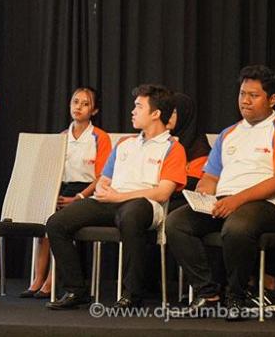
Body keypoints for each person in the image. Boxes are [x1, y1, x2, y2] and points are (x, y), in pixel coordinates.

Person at [166, 65, 275, 320]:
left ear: (272, 99)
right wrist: (204, 195)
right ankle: (208, 293)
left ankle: (236, 296)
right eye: (242, 94)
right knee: (176, 222)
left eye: (254, 95)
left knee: (237, 227)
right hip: (224, 201)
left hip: (269, 204)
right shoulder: (228, 133)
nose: (245, 100)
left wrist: (237, 200)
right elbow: (210, 177)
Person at [45, 84, 187, 310]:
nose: (133, 111)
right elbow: (105, 178)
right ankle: (75, 289)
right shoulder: (124, 144)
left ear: (156, 113)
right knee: (56, 223)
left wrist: (120, 196)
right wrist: (103, 189)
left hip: (145, 205)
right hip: (111, 200)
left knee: (131, 215)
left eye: (139, 107)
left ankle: (132, 294)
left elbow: (163, 192)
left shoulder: (172, 147)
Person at [20, 87, 112, 299]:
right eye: (75, 102)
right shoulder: (62, 136)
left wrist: (79, 197)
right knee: (45, 220)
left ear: (94, 110)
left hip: (87, 191)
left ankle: (52, 280)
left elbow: (102, 177)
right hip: (61, 187)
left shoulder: (100, 137)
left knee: (59, 223)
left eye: (85, 104)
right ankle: (37, 278)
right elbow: (51, 171)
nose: (78, 107)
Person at [166, 92, 212, 212]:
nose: (167, 115)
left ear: (184, 115)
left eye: (173, 112)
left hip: (185, 200)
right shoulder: (159, 140)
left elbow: (192, 184)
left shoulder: (198, 148)